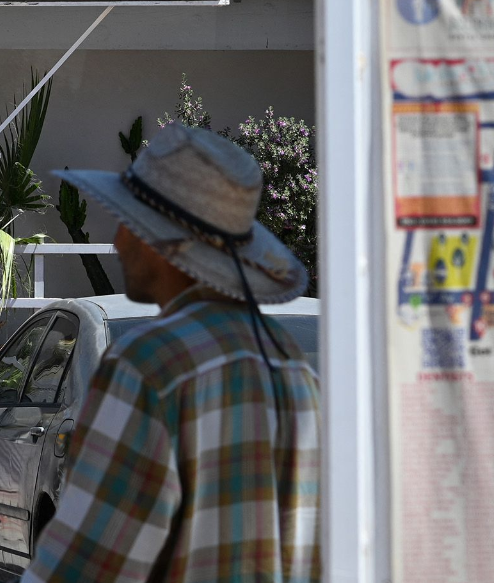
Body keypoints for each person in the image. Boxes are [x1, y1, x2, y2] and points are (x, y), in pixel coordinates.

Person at [23, 124, 319, 583]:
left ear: (169, 244)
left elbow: (86, 563)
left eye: (130, 224)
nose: (119, 242)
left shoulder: (151, 365)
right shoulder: (291, 365)